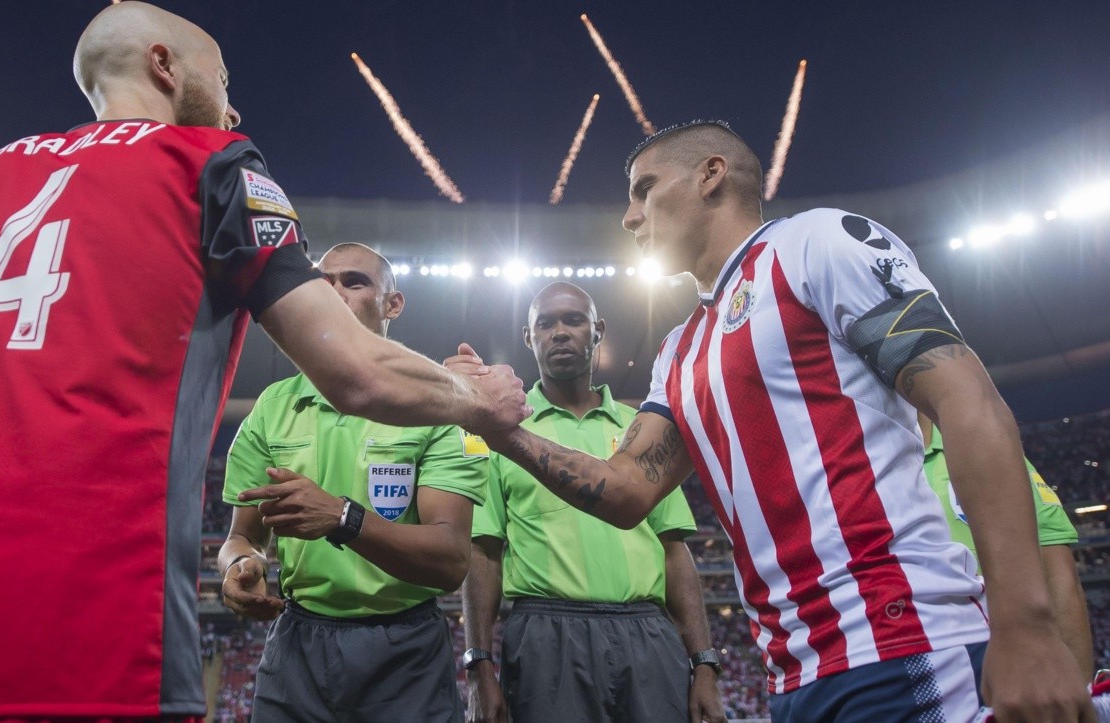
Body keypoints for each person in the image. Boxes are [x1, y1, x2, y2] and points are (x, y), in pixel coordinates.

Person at [0, 4, 528, 722]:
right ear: (164, 66)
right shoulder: (215, 167)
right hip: (101, 648)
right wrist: (473, 396)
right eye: (225, 80)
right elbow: (355, 370)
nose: (233, 111)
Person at [457, 120, 1092, 722]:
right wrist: (498, 428)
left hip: (905, 638)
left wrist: (1025, 625)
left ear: (712, 175)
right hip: (793, 673)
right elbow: (626, 492)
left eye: (645, 190)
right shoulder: (679, 351)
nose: (629, 216)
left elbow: (969, 403)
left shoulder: (816, 242)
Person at [218, 243, 487, 723]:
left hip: (403, 649)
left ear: (393, 304)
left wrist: (342, 518)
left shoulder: (439, 404)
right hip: (296, 640)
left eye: (354, 282)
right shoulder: (272, 405)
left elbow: (450, 561)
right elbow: (243, 536)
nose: (334, 292)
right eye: (323, 282)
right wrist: (241, 565)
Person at [462, 282, 725, 723]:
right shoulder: (498, 431)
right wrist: (478, 665)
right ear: (529, 338)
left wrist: (704, 662)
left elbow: (674, 550)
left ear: (598, 330)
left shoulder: (644, 428)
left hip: (648, 630)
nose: (560, 332)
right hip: (546, 633)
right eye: (545, 324)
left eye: (574, 320)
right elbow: (482, 552)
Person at [917, 413, 1093, 682]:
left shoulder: (985, 447)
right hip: (902, 671)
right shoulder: (849, 466)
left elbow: (1058, 578)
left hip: (1009, 676)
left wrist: (1079, 692)